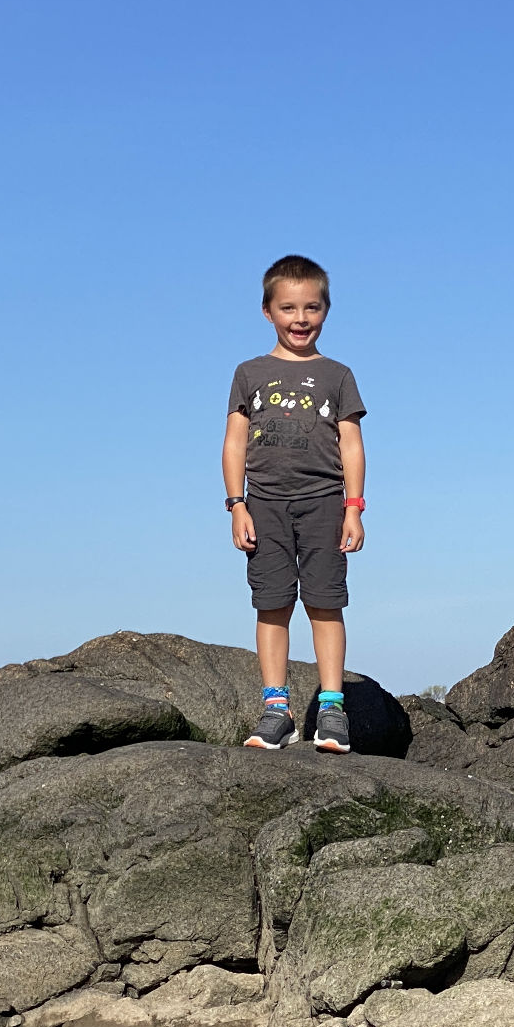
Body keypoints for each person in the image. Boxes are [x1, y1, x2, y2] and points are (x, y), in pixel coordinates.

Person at [221, 253, 367, 753]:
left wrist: (354, 507)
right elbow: (234, 443)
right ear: (268, 312)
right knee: (272, 604)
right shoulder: (249, 372)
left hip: (325, 503)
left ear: (326, 311)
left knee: (325, 602)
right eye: (288, 308)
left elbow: (351, 444)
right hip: (264, 505)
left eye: (311, 308)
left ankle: (331, 709)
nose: (300, 319)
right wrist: (236, 504)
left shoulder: (338, 375)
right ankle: (276, 711)